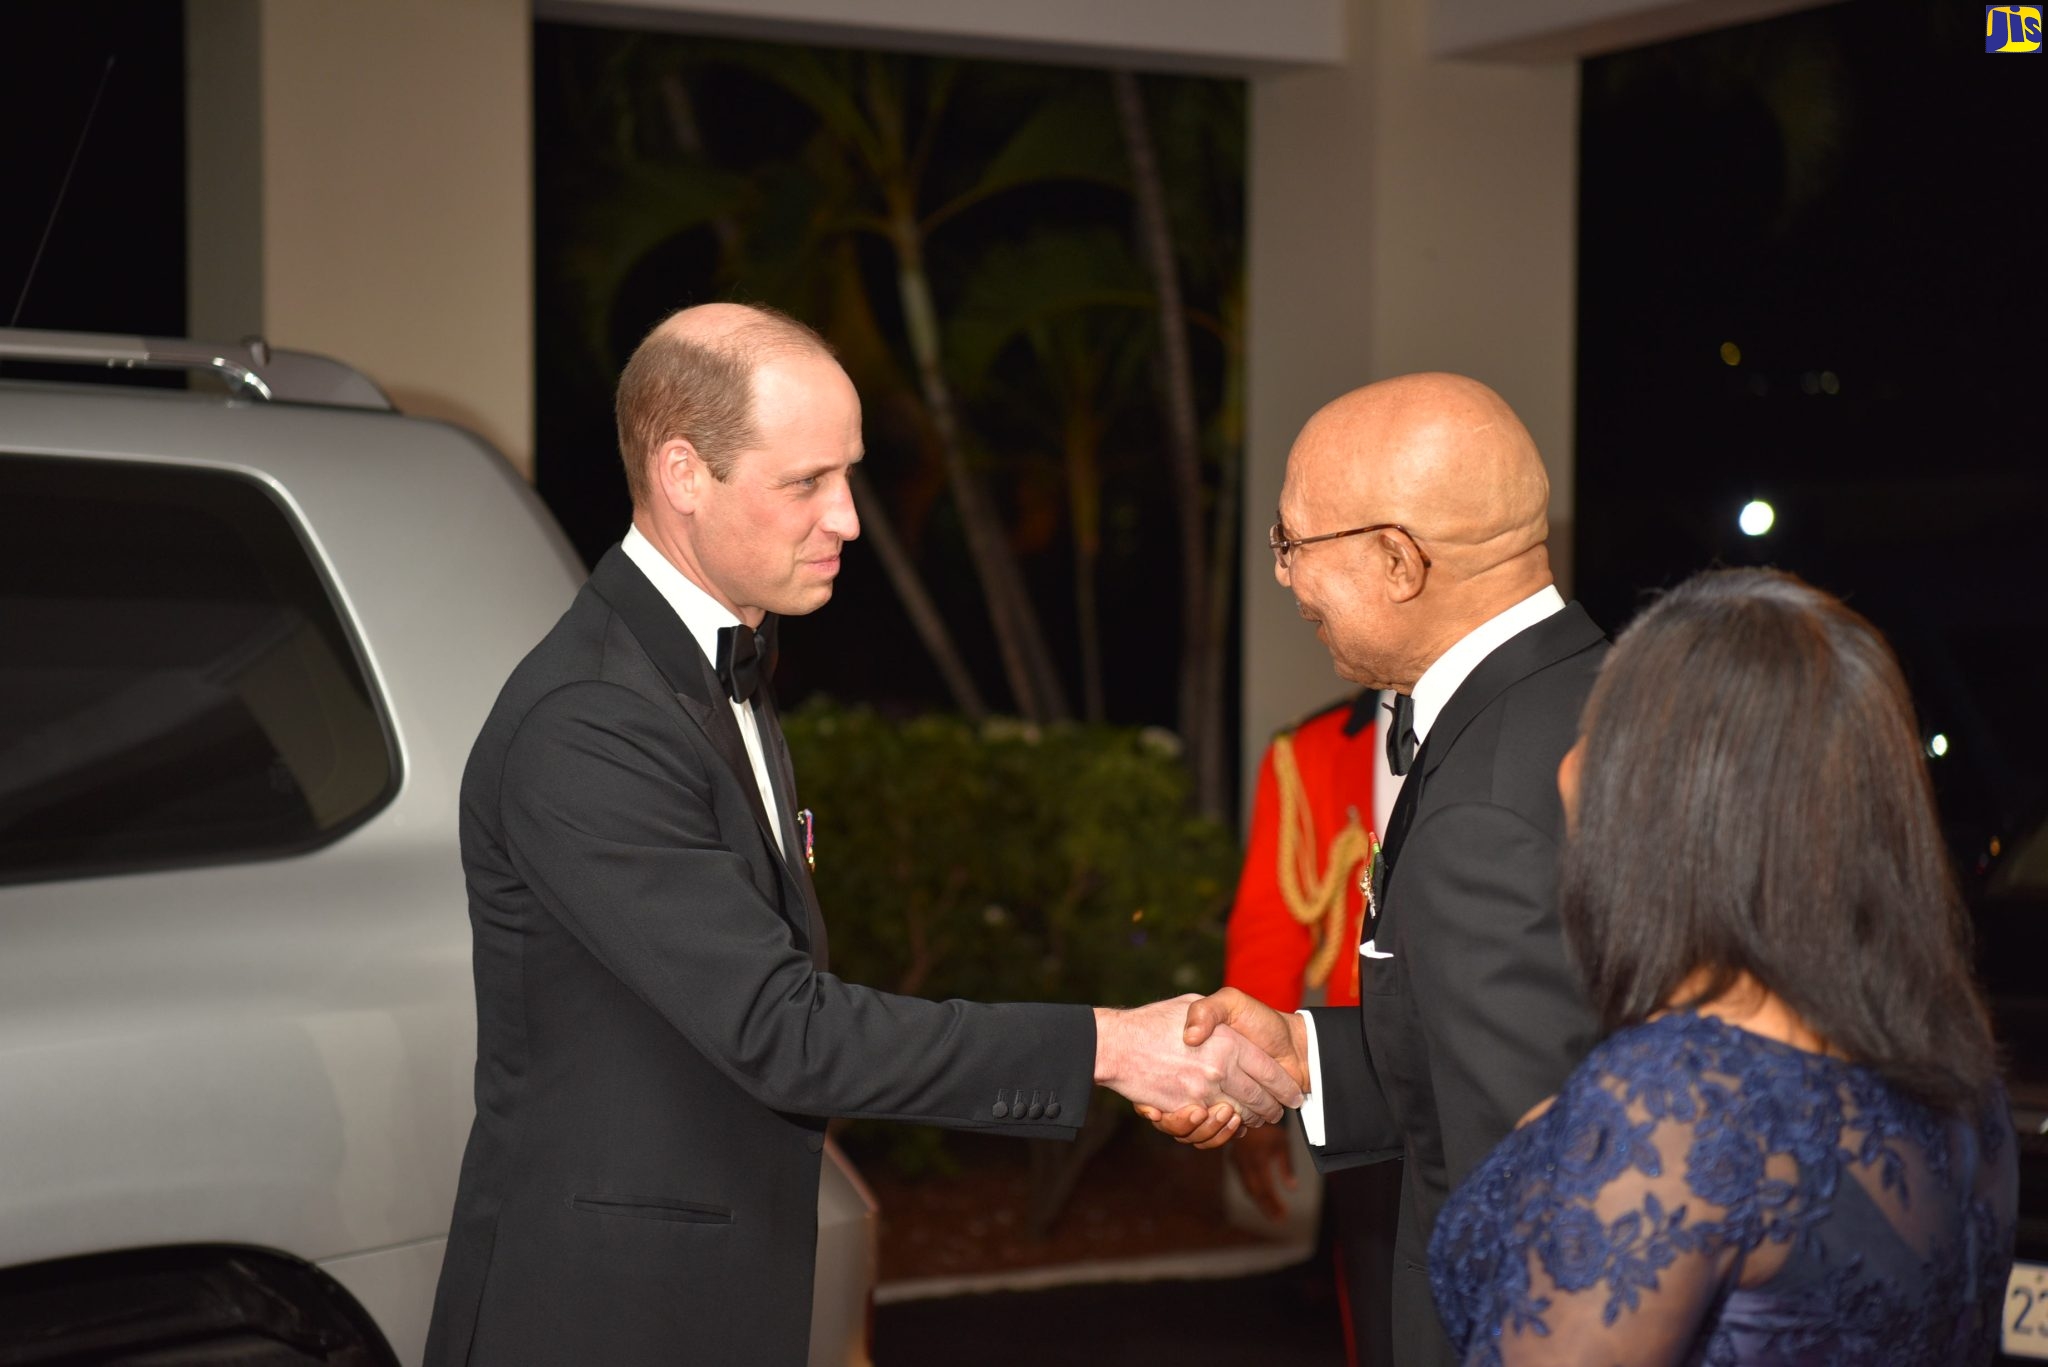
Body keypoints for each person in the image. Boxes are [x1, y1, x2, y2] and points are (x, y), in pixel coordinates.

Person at [421, 303, 1303, 1367]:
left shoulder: (713, 665)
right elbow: (782, 1030)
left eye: (849, 475)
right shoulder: (591, 718)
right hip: (600, 1314)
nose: (846, 518)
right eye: (805, 483)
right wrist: (1113, 1047)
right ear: (681, 472)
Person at [1428, 568, 2016, 1365]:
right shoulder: (1959, 1077)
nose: (1571, 769)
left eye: (1600, 732)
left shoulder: (1678, 1097)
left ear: (1664, 801)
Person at [1150, 372, 1607, 1366]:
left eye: (1292, 545)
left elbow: (1524, 1199)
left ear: (1398, 559)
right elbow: (1554, 1057)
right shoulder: (1597, 694)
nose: (1282, 576)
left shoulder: (1483, 801)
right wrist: (1299, 1055)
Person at [1224, 691, 1403, 1367]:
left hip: (1510, 1071)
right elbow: (1270, 934)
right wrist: (1252, 1095)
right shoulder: (1312, 749)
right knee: (1380, 1316)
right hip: (1369, 1076)